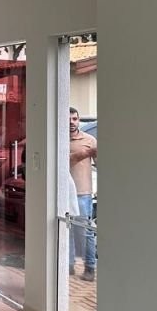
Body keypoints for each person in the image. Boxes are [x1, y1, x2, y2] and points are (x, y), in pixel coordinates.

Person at [68, 106, 97, 281]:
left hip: (82, 193)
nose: (72, 122)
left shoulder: (90, 140)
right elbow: (63, 162)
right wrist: (84, 153)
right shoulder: (58, 139)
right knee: (66, 230)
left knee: (85, 232)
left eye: (75, 119)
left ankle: (90, 267)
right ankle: (68, 265)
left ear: (79, 120)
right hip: (62, 193)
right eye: (68, 119)